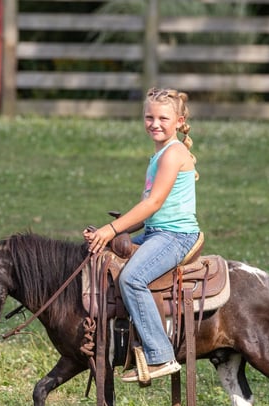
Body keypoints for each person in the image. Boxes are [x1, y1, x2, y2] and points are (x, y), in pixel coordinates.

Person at [83, 87, 201, 382]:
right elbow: (147, 211)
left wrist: (113, 228)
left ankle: (160, 356)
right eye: (149, 117)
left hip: (175, 237)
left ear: (179, 121)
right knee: (102, 259)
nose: (155, 123)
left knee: (132, 278)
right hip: (154, 232)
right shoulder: (158, 154)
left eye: (163, 118)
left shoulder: (174, 153)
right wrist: (108, 234)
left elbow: (154, 203)